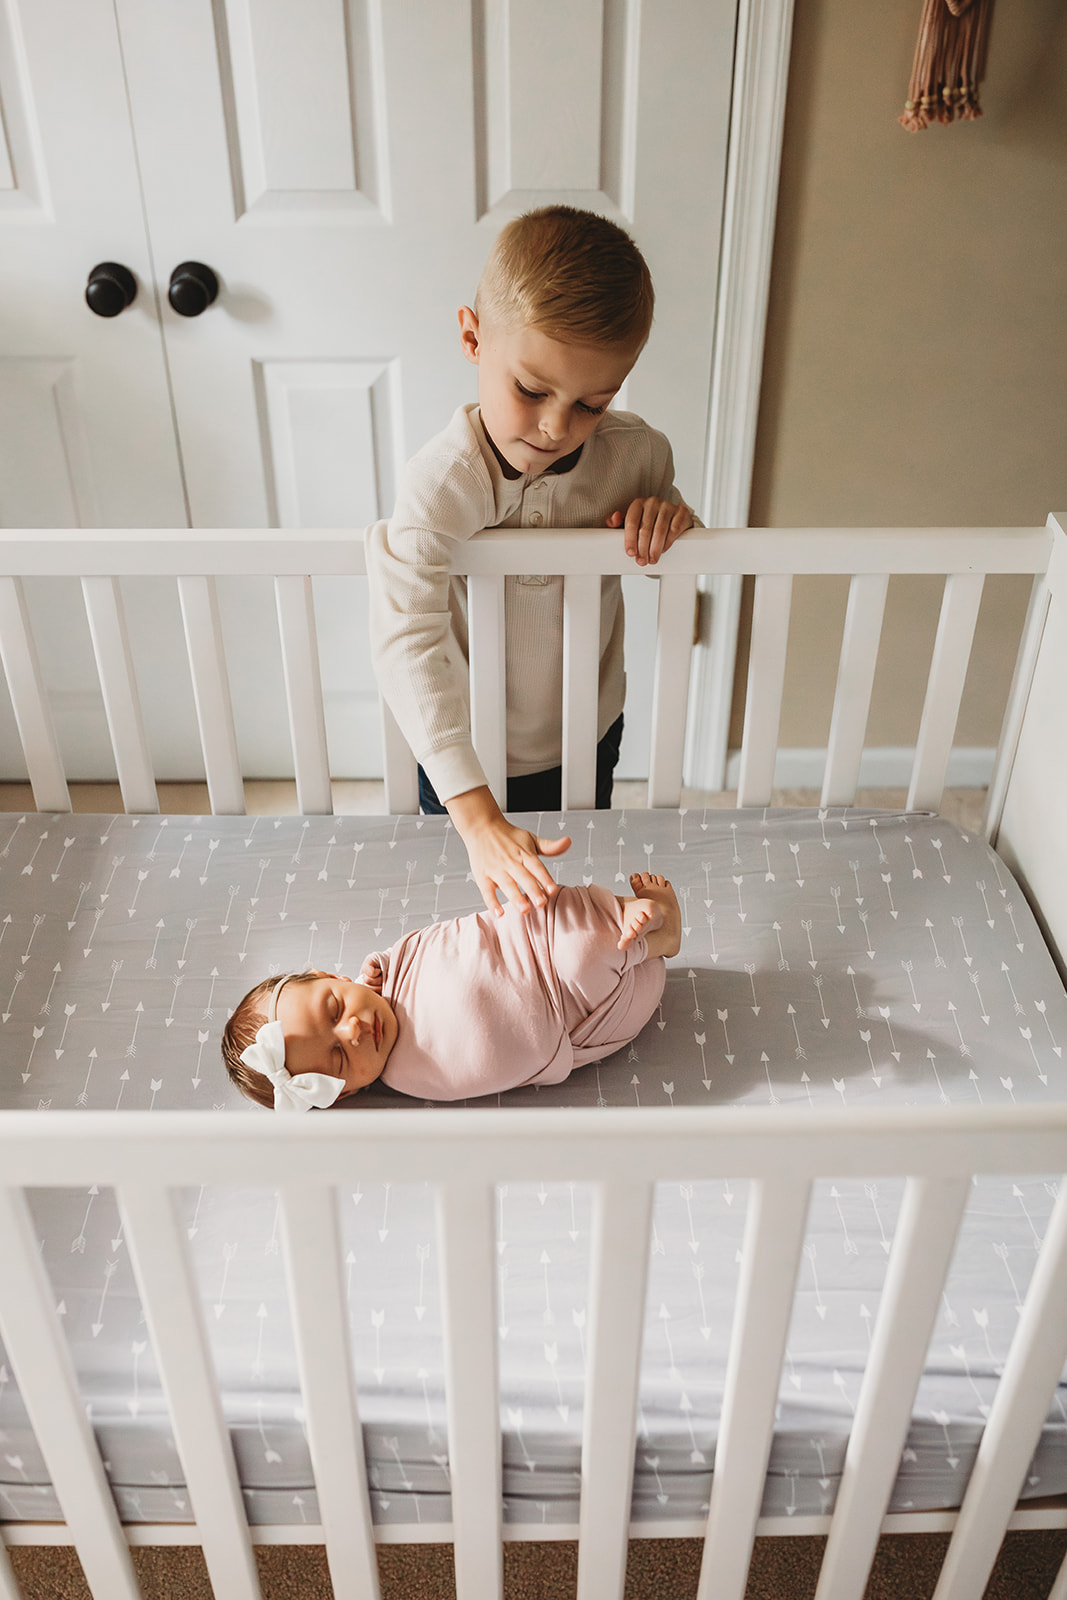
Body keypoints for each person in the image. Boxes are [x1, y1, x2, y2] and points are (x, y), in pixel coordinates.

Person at [364, 206, 696, 919]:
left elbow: (672, 560)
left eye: (591, 403)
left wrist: (668, 523)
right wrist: (475, 814)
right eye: (531, 390)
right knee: (469, 914)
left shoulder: (636, 457)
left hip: (585, 732)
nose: (555, 426)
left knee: (571, 901)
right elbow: (404, 636)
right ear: (472, 338)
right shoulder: (442, 481)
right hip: (463, 754)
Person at [222, 872, 680, 1110]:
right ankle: (654, 938)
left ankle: (654, 925)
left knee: (561, 917)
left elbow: (455, 941)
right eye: (340, 1058)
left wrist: (375, 976)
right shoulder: (407, 1076)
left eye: (336, 1007)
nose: (355, 1029)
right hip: (582, 1013)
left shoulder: (388, 974)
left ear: (335, 978)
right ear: (342, 1094)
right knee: (585, 952)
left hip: (531, 942)